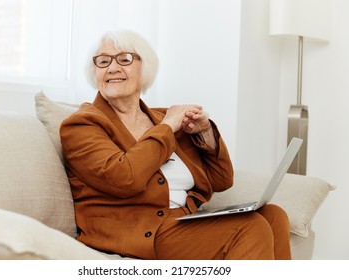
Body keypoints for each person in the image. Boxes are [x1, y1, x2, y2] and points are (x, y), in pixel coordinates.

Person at [60, 29, 292, 260]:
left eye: (124, 59)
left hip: (181, 222)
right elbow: (125, 178)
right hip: (137, 232)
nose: (112, 68)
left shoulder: (161, 118)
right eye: (103, 61)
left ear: (145, 67)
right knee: (249, 226)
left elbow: (222, 180)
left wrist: (205, 133)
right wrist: (168, 126)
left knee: (274, 216)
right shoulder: (82, 125)